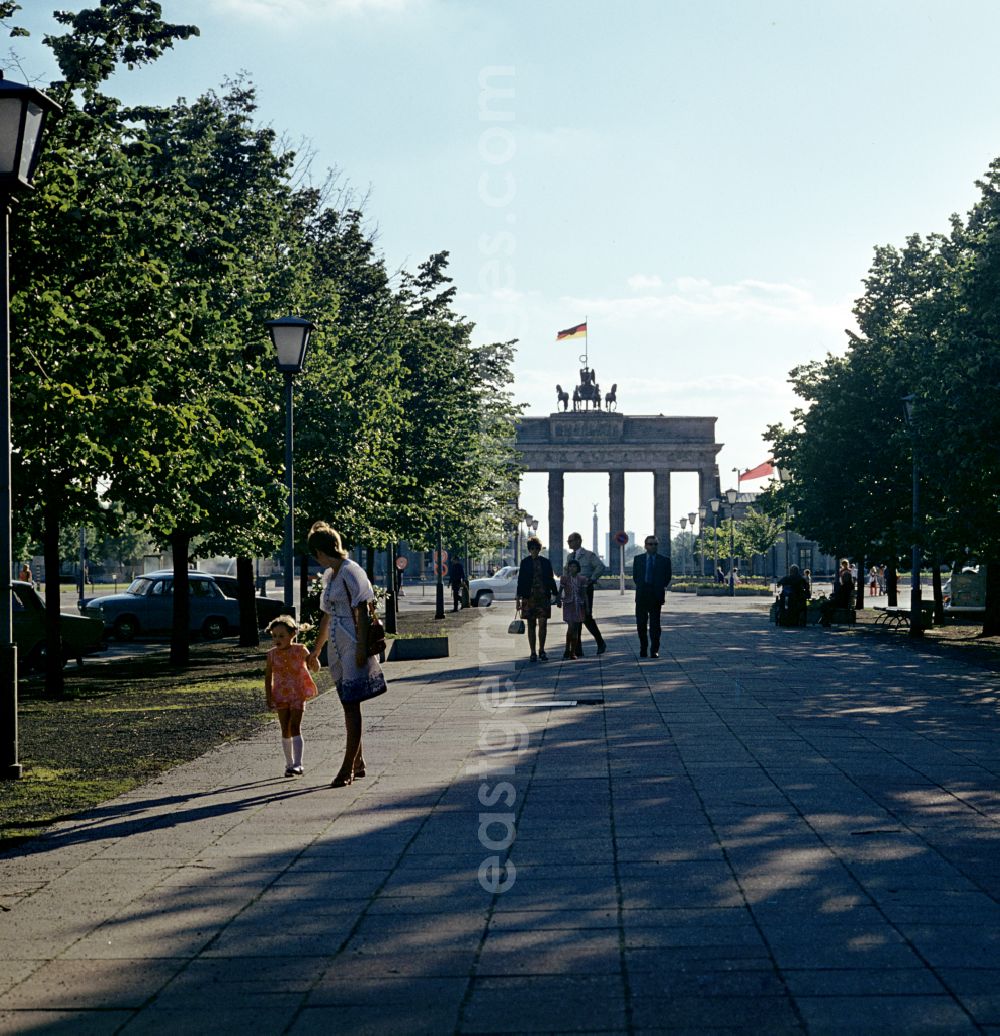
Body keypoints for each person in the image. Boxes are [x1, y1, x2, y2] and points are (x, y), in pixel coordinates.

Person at [307, 521, 388, 787]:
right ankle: (358, 762)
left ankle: (347, 768)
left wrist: (362, 650)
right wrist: (317, 650)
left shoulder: (351, 572)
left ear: (321, 551)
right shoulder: (331, 575)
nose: (315, 559)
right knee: (346, 702)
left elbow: (363, 612)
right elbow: (326, 616)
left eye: (314, 553)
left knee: (352, 705)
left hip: (353, 642)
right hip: (337, 646)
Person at [265, 615, 320, 777]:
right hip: (280, 695)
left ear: (292, 635)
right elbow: (268, 677)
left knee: (295, 726)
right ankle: (289, 764)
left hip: (297, 693)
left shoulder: (300, 649)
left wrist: (314, 660)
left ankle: (298, 764)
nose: (277, 639)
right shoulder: (271, 655)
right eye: (274, 636)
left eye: (282, 636)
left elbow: (314, 667)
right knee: (285, 728)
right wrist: (269, 697)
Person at [516, 537, 558, 662]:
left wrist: (556, 594)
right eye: (532, 548)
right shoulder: (525, 562)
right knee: (531, 624)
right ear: (529, 549)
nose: (534, 550)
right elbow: (521, 581)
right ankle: (533, 652)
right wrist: (518, 599)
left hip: (543, 596)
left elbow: (550, 579)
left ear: (539, 549)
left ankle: (542, 649)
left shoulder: (546, 562)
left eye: (536, 548)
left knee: (543, 623)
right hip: (529, 597)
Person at [566, 532, 607, 655]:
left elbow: (600, 566)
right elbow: (566, 572)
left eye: (571, 541)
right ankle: (577, 649)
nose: (569, 543)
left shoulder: (589, 555)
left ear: (578, 541)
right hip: (572, 590)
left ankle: (600, 642)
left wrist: (592, 579)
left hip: (584, 589)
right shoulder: (569, 557)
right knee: (575, 618)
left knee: (586, 617)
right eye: (568, 541)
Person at [632, 534, 672, 658]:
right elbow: (636, 576)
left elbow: (667, 577)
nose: (653, 546)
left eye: (655, 544)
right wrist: (643, 586)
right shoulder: (638, 559)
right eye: (650, 544)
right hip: (642, 595)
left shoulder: (664, 560)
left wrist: (659, 587)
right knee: (641, 624)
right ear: (645, 546)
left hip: (656, 596)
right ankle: (643, 647)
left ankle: (654, 649)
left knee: (655, 625)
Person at [559, 558, 588, 659]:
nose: (572, 568)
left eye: (574, 566)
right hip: (568, 604)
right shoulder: (564, 578)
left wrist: (587, 607)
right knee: (571, 626)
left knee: (575, 628)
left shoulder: (582, 579)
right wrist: (558, 600)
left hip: (578, 605)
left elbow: (584, 594)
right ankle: (567, 649)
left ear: (578, 568)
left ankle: (572, 651)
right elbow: (560, 591)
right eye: (570, 566)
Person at [820, 558, 855, 627]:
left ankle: (825, 620)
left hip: (841, 603)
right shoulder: (850, 585)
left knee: (825, 604)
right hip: (845, 602)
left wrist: (833, 595)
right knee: (828, 604)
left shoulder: (844, 586)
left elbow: (839, 594)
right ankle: (825, 619)